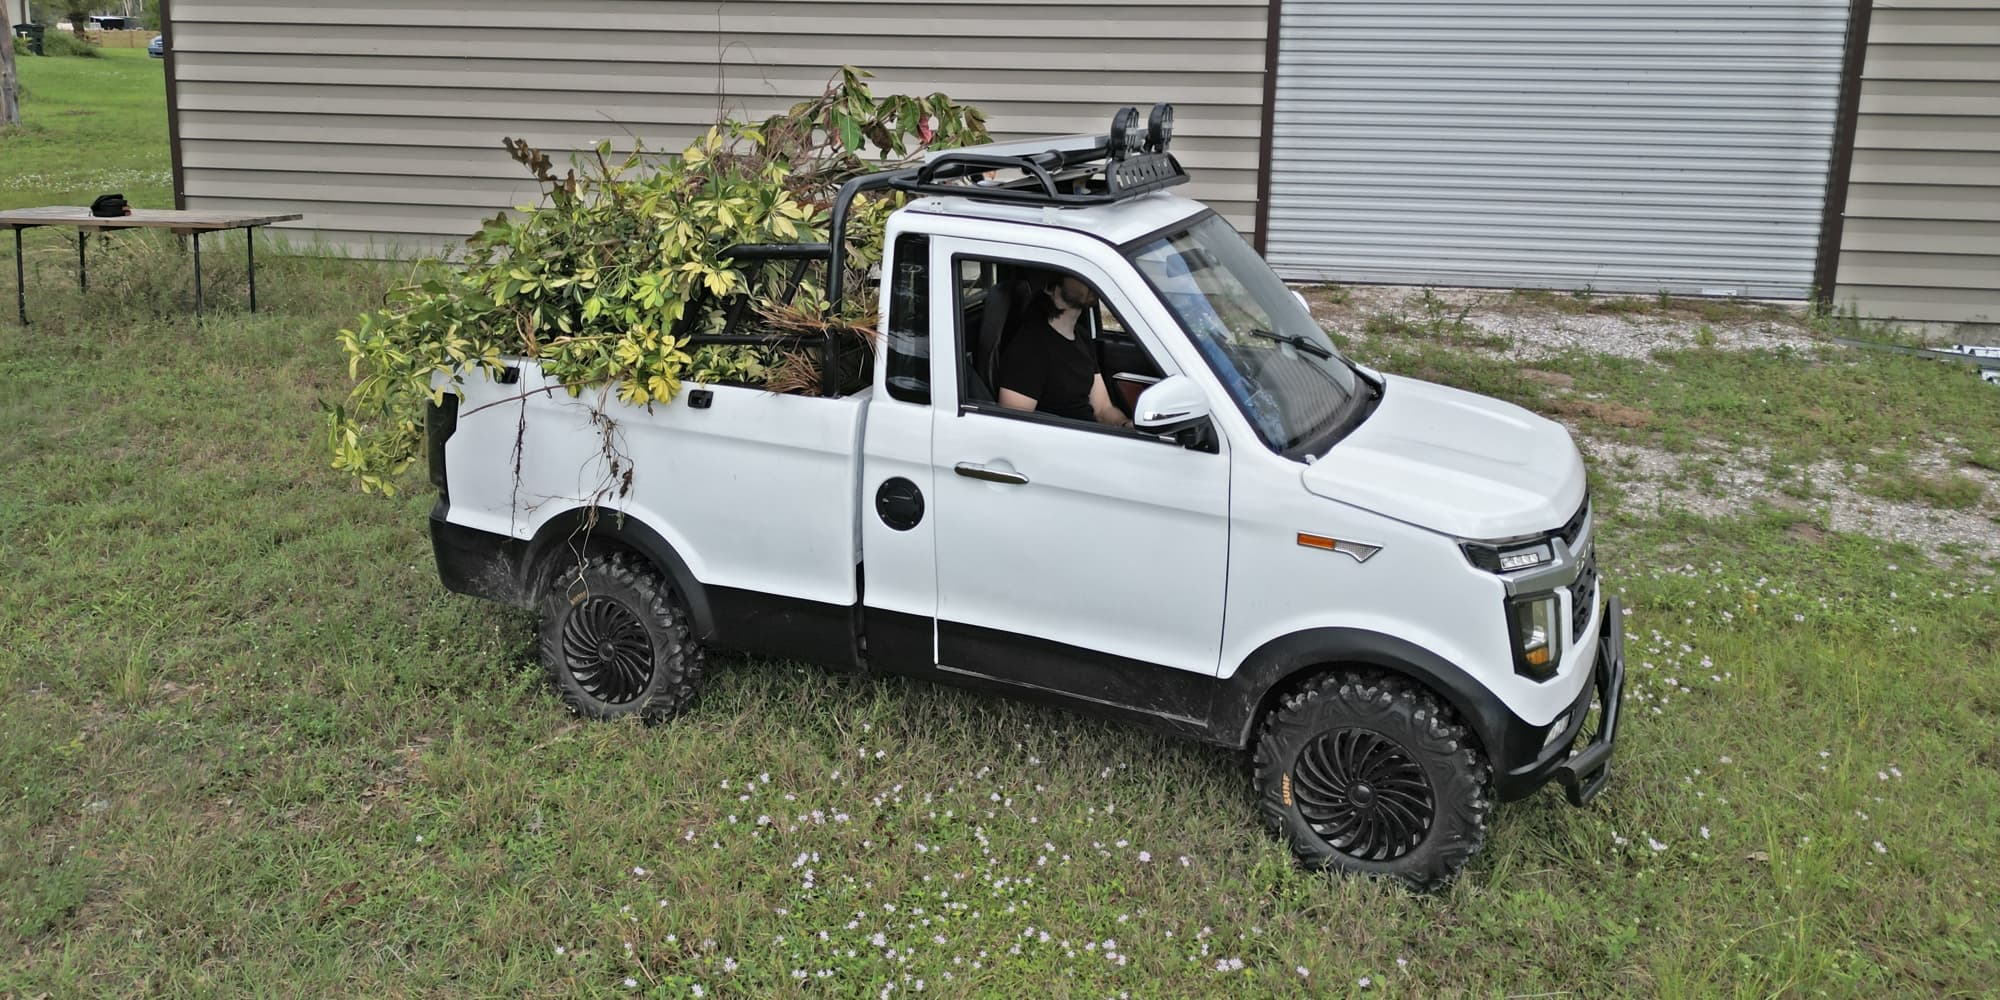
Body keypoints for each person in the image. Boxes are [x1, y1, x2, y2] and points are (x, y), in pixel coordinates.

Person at [995, 274, 1133, 428]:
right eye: (1078, 274)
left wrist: (1125, 424)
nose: (1090, 279)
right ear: (1051, 287)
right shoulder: (1029, 346)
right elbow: (1014, 425)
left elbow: (1102, 409)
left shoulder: (1082, 336)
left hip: (1092, 436)